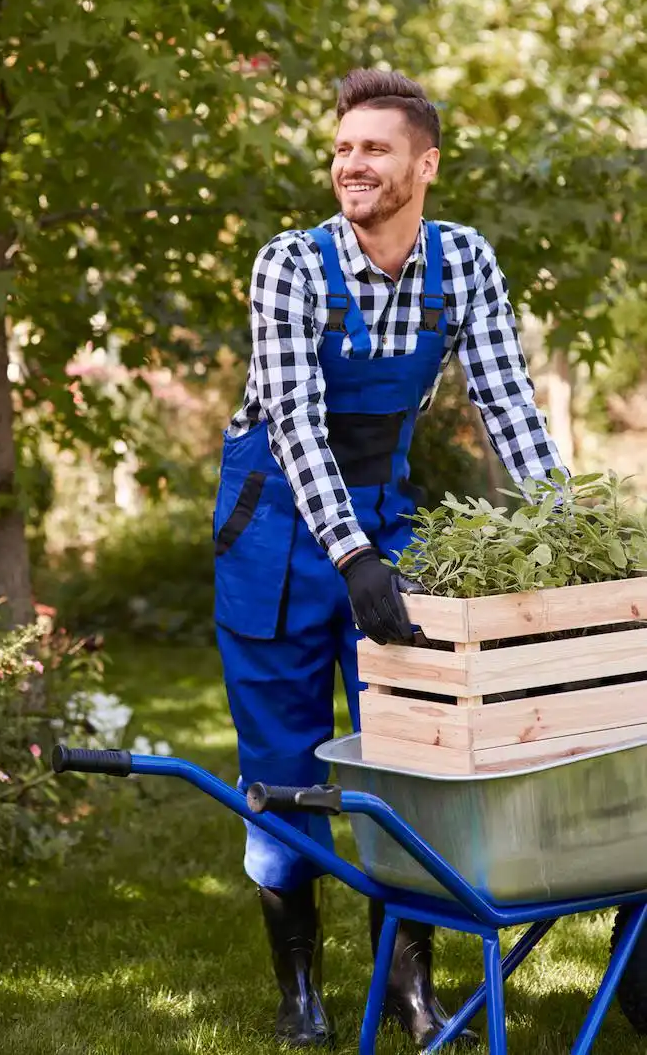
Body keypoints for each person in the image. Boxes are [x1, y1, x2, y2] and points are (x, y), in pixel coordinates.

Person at [212, 68, 565, 1049]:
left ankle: (409, 989)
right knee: (280, 762)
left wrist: (567, 527)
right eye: (340, 149)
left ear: (424, 163)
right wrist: (352, 555)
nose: (349, 165)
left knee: (409, 758)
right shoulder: (289, 265)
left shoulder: (463, 263)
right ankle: (299, 995)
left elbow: (506, 404)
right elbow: (293, 423)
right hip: (275, 530)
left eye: (372, 148)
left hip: (385, 517)